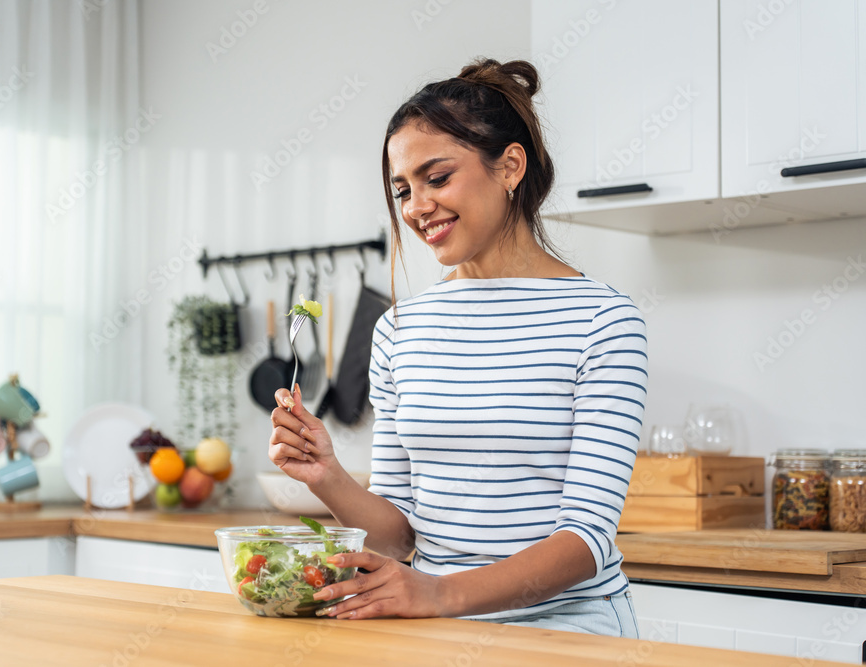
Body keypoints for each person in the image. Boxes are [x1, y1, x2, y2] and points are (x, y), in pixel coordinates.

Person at [267, 58, 647, 637]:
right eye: (403, 189)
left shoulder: (603, 320)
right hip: (434, 624)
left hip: (568, 627)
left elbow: (586, 539)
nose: (416, 207)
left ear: (510, 166)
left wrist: (439, 592)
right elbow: (399, 535)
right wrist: (326, 475)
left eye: (436, 178)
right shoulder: (399, 330)